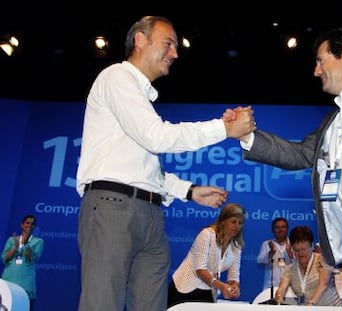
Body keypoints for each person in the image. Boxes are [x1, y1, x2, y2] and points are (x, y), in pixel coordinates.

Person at [226, 27, 342, 311]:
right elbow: (299, 152)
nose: (316, 71)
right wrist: (246, 136)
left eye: (321, 60)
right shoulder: (333, 120)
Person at [75, 16, 256, 311]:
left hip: (152, 215)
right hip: (113, 208)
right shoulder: (116, 78)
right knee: (102, 304)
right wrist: (223, 129)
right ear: (140, 40)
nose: (175, 53)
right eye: (168, 43)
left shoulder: (139, 99)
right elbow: (156, 137)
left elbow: (144, 167)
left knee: (151, 305)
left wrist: (189, 190)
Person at [167, 203, 246, 307]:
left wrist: (234, 286)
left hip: (208, 289)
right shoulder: (207, 234)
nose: (237, 226)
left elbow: (234, 275)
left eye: (240, 223)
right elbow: (200, 270)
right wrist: (221, 286)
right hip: (185, 287)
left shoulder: (236, 246)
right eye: (233, 222)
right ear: (223, 221)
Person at [275, 226, 341, 306]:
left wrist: (311, 304)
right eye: (296, 250)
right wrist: (279, 298)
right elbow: (281, 289)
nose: (300, 253)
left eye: (303, 249)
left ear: (312, 246)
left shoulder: (323, 260)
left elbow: (324, 284)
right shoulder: (290, 269)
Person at [1, 214, 44, 311]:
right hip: (8, 283)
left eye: (32, 224)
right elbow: (5, 259)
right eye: (27, 223)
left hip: (26, 285)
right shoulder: (12, 240)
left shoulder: (38, 242)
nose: (29, 225)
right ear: (22, 225)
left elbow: (32, 259)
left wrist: (25, 243)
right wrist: (15, 247)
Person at [256, 217, 293, 290]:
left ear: (287, 229)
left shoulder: (293, 244)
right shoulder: (267, 244)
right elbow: (259, 260)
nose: (280, 230)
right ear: (273, 230)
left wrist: (289, 252)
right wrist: (271, 253)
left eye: (283, 227)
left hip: (289, 285)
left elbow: (299, 263)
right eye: (277, 227)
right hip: (271, 286)